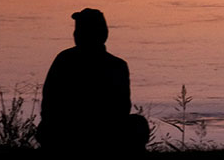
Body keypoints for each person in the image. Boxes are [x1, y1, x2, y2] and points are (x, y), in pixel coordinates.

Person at [37, 8, 149, 152]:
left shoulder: (65, 59)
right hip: (93, 132)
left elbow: (49, 102)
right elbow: (122, 107)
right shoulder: (117, 65)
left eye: (80, 29)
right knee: (137, 123)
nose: (76, 34)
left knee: (137, 124)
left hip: (70, 132)